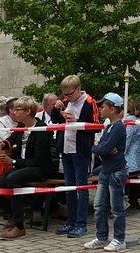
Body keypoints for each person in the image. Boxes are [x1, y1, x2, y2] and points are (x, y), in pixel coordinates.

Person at [0, 95, 56, 240]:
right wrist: (4, 144)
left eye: (17, 109)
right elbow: (11, 139)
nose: (14, 112)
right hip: (22, 166)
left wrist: (13, 162)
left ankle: (19, 226)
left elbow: (38, 161)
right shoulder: (21, 126)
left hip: (39, 169)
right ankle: (16, 214)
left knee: (12, 179)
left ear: (27, 111)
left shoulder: (42, 129)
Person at [50, 75, 100, 239]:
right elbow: (55, 120)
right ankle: (70, 222)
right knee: (69, 187)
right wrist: (56, 109)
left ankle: (81, 224)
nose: (67, 97)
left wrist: (77, 121)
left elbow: (96, 126)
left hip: (81, 150)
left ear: (78, 89)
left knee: (81, 188)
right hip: (66, 148)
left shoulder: (90, 102)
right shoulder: (65, 101)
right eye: (64, 94)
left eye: (70, 94)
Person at [84, 93, 127, 251]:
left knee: (117, 208)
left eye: (103, 107)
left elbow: (104, 147)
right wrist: (101, 148)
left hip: (116, 171)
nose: (100, 110)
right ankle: (101, 237)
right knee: (99, 206)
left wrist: (101, 148)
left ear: (112, 109)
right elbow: (102, 146)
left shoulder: (118, 127)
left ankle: (119, 239)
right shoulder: (109, 127)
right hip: (106, 171)